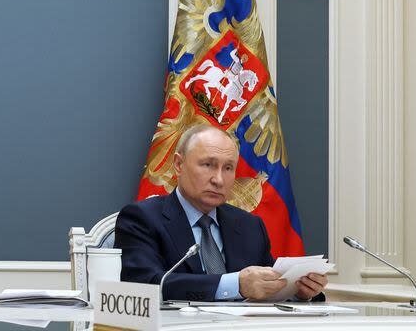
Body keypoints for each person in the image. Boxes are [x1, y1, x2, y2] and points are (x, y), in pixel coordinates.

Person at [114, 124, 327, 301]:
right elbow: (144, 285)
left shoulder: (249, 225)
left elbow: (266, 282)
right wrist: (236, 284)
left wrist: (298, 290)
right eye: (208, 165)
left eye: (228, 168)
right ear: (179, 164)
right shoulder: (142, 218)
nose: (218, 179)